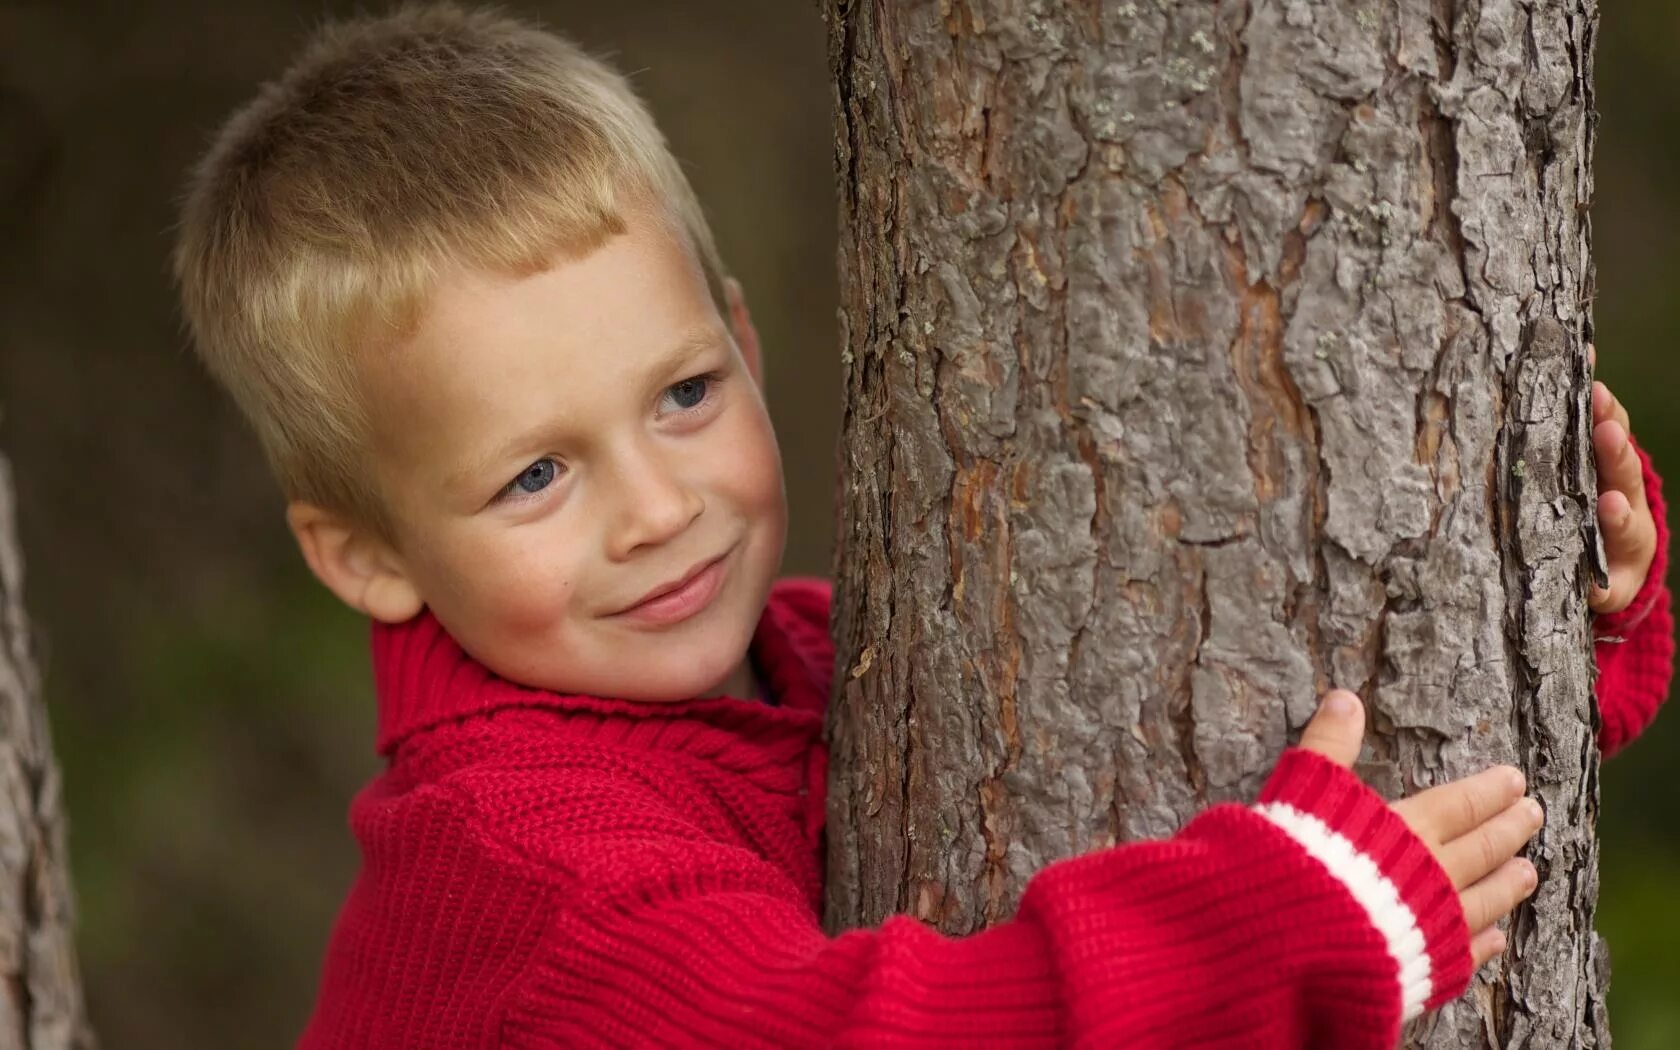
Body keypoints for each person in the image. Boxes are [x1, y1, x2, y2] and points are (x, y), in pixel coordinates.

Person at [169, 5, 1672, 1047]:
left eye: (683, 393)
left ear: (745, 344)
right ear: (362, 551)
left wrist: (1546, 617)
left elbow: (1418, 822)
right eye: (534, 478)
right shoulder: (534, 875)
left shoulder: (827, 658)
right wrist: (1288, 932)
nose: (656, 506)